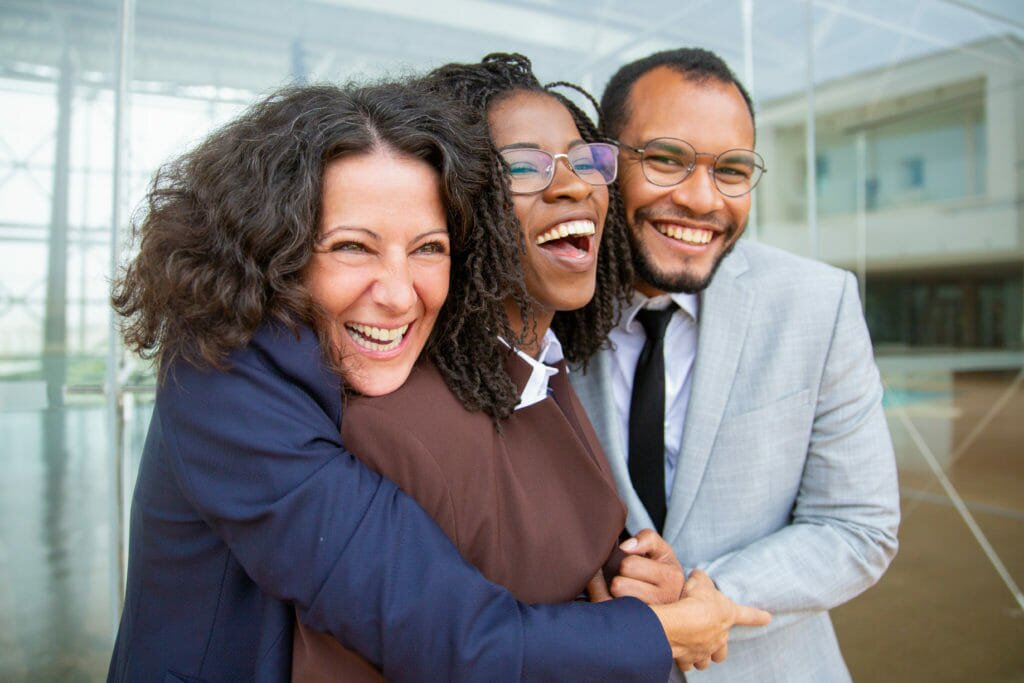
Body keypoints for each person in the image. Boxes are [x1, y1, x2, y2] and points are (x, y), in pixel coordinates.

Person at [107, 79, 765, 683]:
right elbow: (450, 632)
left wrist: (627, 567)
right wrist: (660, 632)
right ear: (274, 248)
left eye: (429, 247)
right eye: (353, 246)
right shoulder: (230, 381)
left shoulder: (495, 361)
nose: (399, 295)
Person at [292, 53, 768, 681]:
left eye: (585, 160)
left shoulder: (542, 370)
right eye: (522, 166)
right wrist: (646, 633)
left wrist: (636, 582)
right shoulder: (396, 431)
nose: (573, 186)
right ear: (453, 204)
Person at [570, 47, 901, 682]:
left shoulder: (819, 304)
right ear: (604, 161)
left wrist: (709, 597)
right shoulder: (542, 311)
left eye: (732, 170)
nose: (702, 199)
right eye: (666, 159)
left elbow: (859, 526)